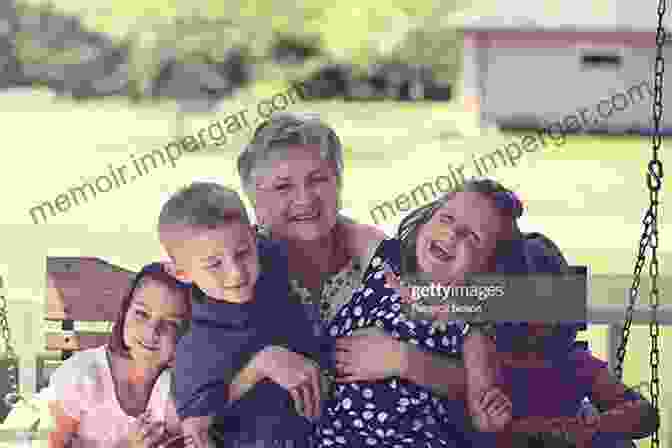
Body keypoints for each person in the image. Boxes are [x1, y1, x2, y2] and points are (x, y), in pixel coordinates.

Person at [226, 112, 501, 418]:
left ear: (339, 184)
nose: (305, 199)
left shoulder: (389, 260)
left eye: (318, 180)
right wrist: (261, 366)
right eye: (283, 187)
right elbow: (185, 408)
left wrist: (406, 360)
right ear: (253, 199)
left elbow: (481, 378)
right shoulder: (227, 269)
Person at [311, 178, 534, 447]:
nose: (452, 234)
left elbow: (480, 399)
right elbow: (323, 221)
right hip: (332, 438)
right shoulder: (385, 263)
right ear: (426, 219)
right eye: (447, 217)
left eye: (472, 237)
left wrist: (490, 415)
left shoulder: (468, 319)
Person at [158, 182, 322, 448]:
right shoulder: (197, 348)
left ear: (255, 238)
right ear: (181, 273)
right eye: (214, 265)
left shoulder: (270, 263)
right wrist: (258, 369)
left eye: (243, 253)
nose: (236, 272)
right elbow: (195, 425)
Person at [45, 262, 191, 448]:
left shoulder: (174, 388)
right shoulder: (81, 377)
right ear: (125, 312)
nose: (151, 331)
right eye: (142, 314)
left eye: (170, 324)